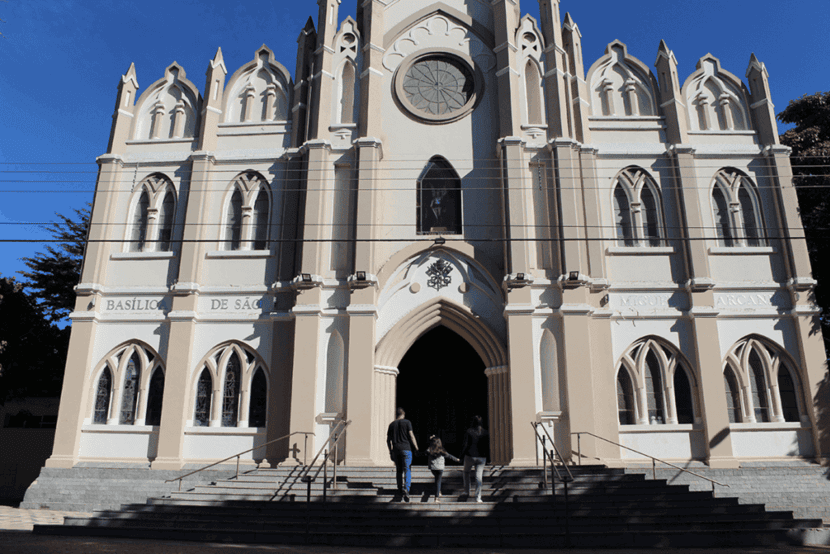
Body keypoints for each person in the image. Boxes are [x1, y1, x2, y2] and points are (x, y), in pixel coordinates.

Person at [387, 407, 419, 502]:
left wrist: (391, 451)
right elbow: (411, 436)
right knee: (407, 469)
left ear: (396, 414)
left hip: (396, 449)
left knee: (399, 471)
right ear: (403, 414)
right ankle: (406, 489)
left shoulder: (391, 425)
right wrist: (416, 447)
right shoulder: (407, 422)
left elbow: (388, 440)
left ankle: (400, 489)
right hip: (406, 449)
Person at [460, 415, 489, 503]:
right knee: (478, 477)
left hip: (470, 456)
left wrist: (461, 456)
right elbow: (487, 446)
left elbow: (465, 445)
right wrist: (489, 458)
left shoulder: (469, 431)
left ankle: (466, 491)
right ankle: (478, 497)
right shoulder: (485, 433)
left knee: (466, 472)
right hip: (481, 457)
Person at [426, 435, 460, 503]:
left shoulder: (429, 450)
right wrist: (456, 459)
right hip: (440, 468)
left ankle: (439, 491)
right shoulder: (441, 450)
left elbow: (424, 451)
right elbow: (449, 456)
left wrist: (431, 440)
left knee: (437, 480)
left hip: (433, 468)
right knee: (438, 481)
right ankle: (436, 498)